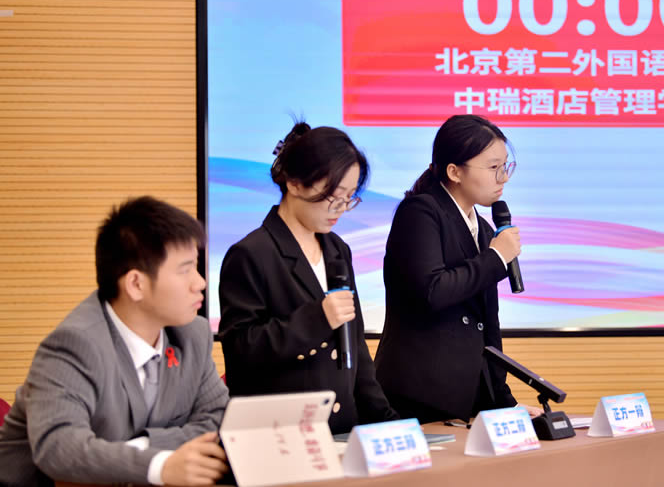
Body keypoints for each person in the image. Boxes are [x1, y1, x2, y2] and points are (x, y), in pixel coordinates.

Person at [0, 196, 230, 487]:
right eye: (185, 270)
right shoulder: (74, 344)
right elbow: (59, 447)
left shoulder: (192, 335)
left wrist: (142, 447)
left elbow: (217, 420)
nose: (200, 283)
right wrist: (159, 465)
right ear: (136, 284)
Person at [218, 122, 398, 435]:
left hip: (342, 431)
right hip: (283, 435)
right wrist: (317, 319)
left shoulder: (337, 249)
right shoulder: (251, 254)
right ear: (295, 183)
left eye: (350, 197)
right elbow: (241, 352)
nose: (341, 208)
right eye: (333, 195)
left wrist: (388, 422)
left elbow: (356, 351)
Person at [374, 114, 542, 423]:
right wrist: (495, 258)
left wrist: (504, 403)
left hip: (468, 397)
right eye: (493, 167)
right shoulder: (420, 212)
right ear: (454, 172)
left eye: (505, 166)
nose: (503, 178)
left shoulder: (484, 229)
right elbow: (431, 292)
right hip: (418, 395)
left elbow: (488, 328)